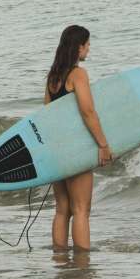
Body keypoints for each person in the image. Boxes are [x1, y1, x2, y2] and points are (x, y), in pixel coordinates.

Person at [46, 24, 113, 252]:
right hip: (75, 149)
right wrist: (103, 144)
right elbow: (88, 111)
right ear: (78, 48)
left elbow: (47, 114)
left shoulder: (53, 77)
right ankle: (82, 266)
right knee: (82, 209)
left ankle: (60, 259)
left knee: (62, 209)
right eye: (87, 45)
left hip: (58, 149)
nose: (89, 49)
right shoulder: (78, 75)